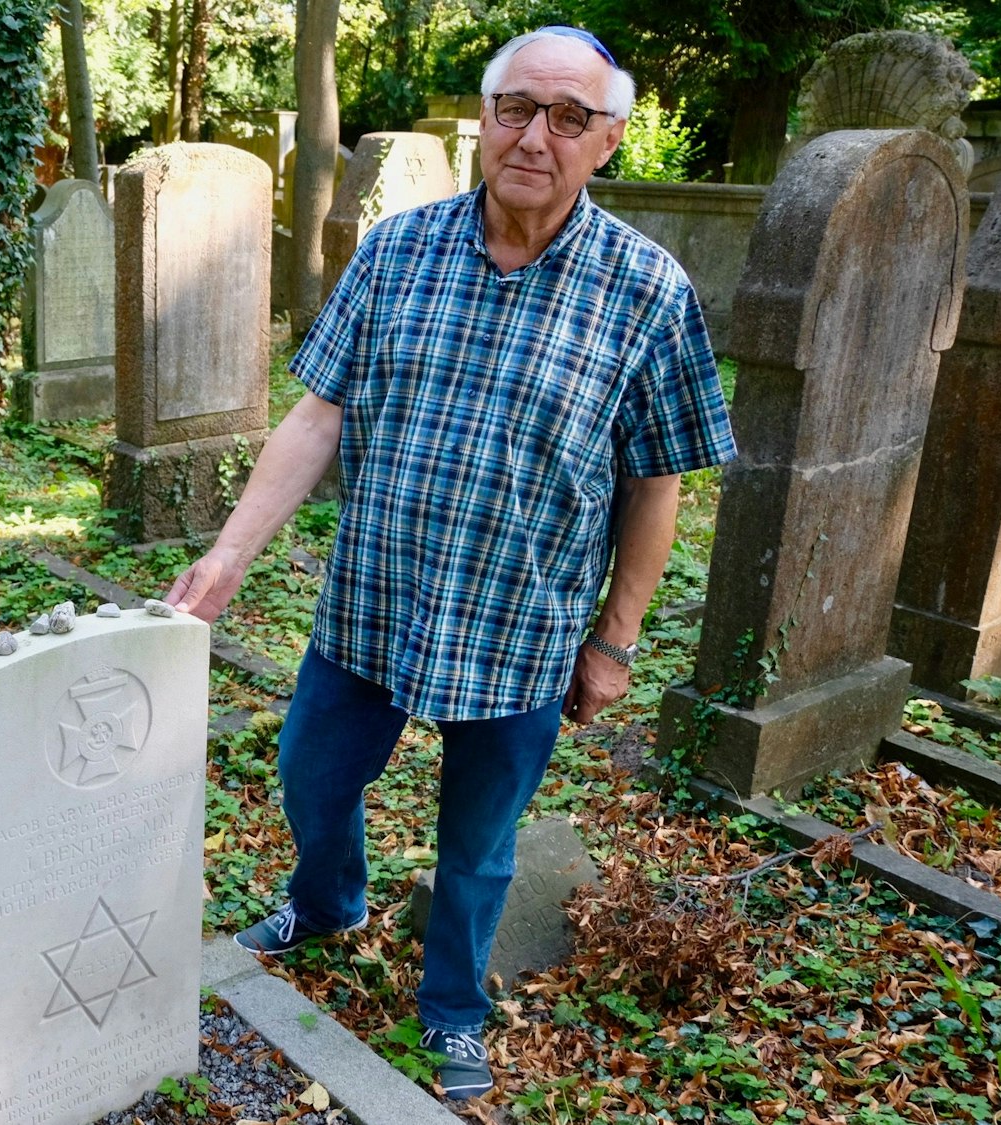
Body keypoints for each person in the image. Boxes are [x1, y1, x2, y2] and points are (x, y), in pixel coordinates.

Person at [164, 26, 736, 1102]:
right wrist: (229, 554)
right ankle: (330, 900)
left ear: (606, 140)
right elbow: (319, 413)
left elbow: (655, 482)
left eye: (569, 117)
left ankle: (452, 1010)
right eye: (516, 107)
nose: (536, 136)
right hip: (374, 604)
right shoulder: (397, 249)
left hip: (522, 627)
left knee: (477, 848)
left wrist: (612, 641)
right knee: (308, 778)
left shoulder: (648, 291)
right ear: (485, 118)